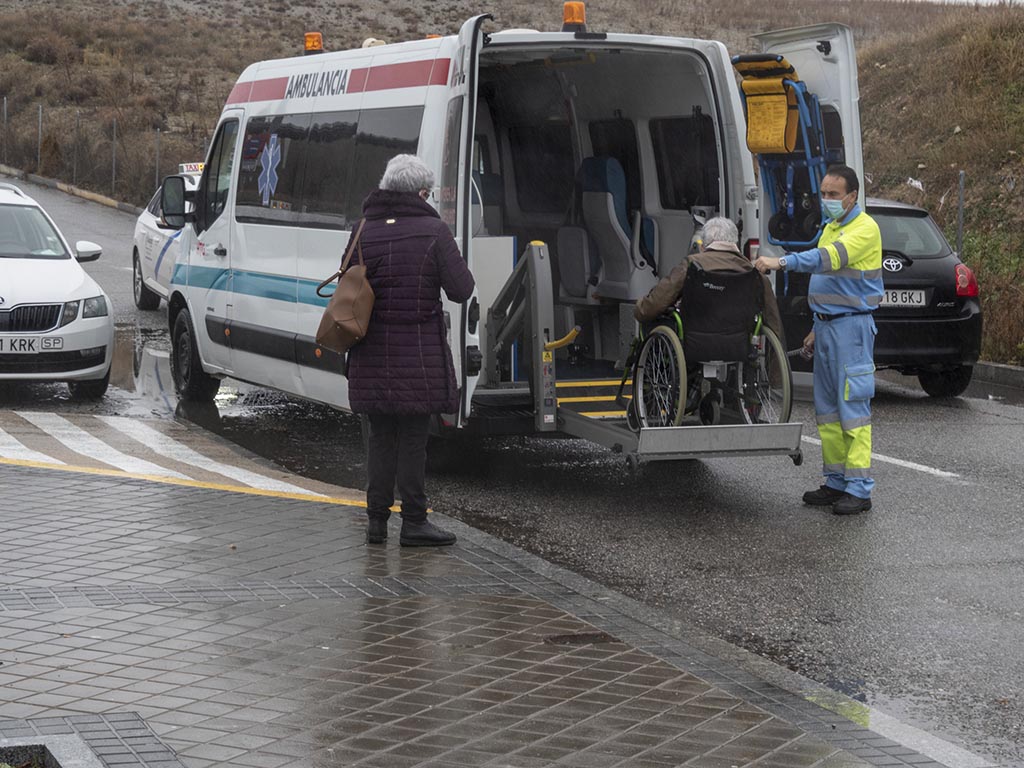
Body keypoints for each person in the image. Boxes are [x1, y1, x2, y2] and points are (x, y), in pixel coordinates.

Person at [346, 154, 475, 546]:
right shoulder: (434, 231)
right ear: (420, 192)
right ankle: (415, 522)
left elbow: (349, 286)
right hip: (417, 355)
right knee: (414, 442)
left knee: (380, 438)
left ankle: (376, 523)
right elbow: (461, 288)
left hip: (369, 353)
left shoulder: (362, 229)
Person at [754, 164, 883, 515]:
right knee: (827, 413)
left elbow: (827, 260)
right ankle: (836, 482)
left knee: (852, 410)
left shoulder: (863, 228)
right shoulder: (832, 226)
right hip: (828, 327)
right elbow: (831, 286)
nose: (826, 200)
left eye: (833, 195)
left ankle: (859, 489)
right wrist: (815, 328)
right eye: (823, 194)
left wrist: (780, 261)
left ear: (852, 196)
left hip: (852, 331)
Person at [634, 216, 783, 339]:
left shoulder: (692, 264)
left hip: (694, 341)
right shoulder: (752, 273)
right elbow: (774, 322)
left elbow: (657, 302)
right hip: (738, 342)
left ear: (703, 246)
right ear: (735, 243)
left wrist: (640, 309)